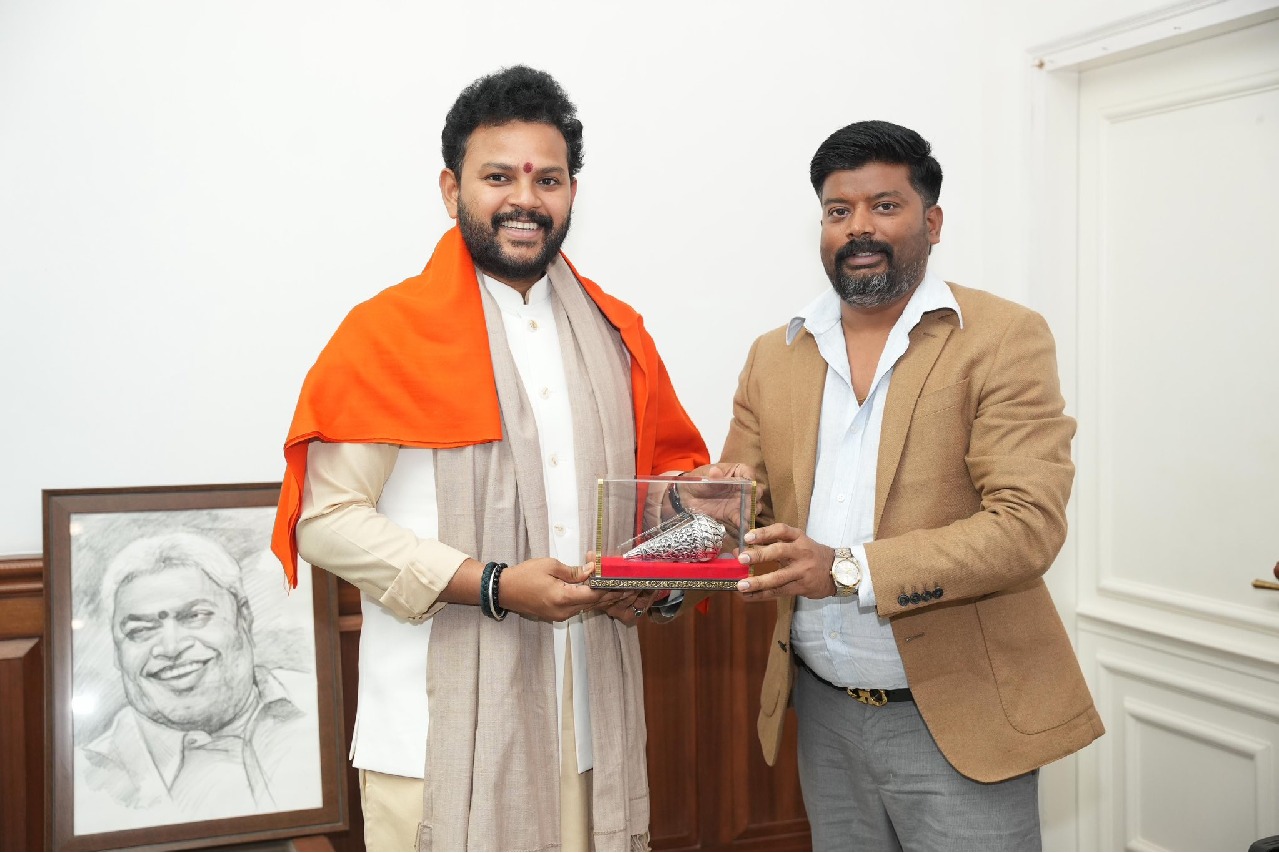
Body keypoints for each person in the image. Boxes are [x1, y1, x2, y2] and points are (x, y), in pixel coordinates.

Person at [271, 65, 708, 852]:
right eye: (498, 176)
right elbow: (325, 521)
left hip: (588, 728)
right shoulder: (385, 334)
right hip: (433, 741)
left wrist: (677, 555)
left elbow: (659, 499)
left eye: (548, 179)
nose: (524, 199)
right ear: (451, 190)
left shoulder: (618, 335)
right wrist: (495, 584)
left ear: (571, 192)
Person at [721, 120, 1104, 851]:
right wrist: (714, 501)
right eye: (838, 210)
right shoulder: (775, 352)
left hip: (961, 716)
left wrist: (843, 569)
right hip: (822, 713)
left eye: (884, 205)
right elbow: (750, 510)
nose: (858, 227)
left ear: (931, 222)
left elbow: (1026, 526)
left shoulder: (1002, 337)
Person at [77, 532, 319, 833]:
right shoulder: (88, 780)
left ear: (244, 618)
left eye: (195, 616)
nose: (171, 647)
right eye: (140, 630)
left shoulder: (325, 705)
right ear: (117, 651)